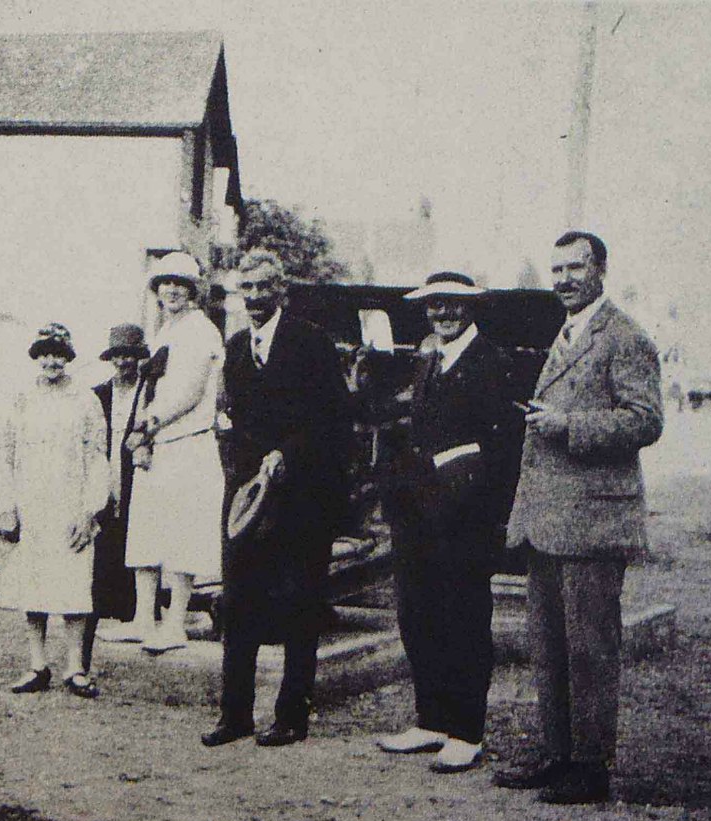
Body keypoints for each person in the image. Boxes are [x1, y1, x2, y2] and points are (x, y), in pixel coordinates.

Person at [494, 231, 663, 805]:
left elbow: (645, 420)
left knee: (590, 648)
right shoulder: (565, 333)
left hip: (593, 523)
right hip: (549, 521)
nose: (564, 279)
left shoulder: (624, 337)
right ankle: (558, 754)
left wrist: (572, 425)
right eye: (557, 269)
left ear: (601, 270)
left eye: (576, 268)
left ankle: (590, 767)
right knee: (549, 646)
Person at [203, 250, 351, 748]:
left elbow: (334, 420)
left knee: (299, 606)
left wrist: (288, 453)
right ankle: (235, 714)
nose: (256, 299)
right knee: (239, 602)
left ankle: (292, 715)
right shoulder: (238, 349)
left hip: (304, 499)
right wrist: (248, 467)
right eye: (248, 289)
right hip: (251, 497)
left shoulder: (311, 343)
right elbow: (234, 423)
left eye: (265, 288)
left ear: (281, 291)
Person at [375, 273, 516, 773]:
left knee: (464, 620)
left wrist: (476, 506)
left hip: (465, 516)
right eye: (436, 305)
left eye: (453, 305)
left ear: (471, 307)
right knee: (419, 614)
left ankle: (466, 731)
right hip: (419, 513)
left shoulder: (492, 363)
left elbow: (499, 450)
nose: (444, 314)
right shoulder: (429, 358)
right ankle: (431, 720)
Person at [0, 324, 110, 697]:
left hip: (71, 505)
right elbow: (6, 456)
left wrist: (90, 510)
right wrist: (9, 507)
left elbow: (97, 457)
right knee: (34, 586)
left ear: (69, 357)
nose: (51, 360)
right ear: (35, 356)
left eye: (58, 353)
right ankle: (37, 664)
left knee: (74, 586)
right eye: (44, 352)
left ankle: (75, 667)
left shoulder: (86, 400)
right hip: (32, 505)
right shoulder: (22, 399)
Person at [122, 252, 226, 656]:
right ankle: (143, 618)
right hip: (156, 445)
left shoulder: (200, 331)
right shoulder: (166, 328)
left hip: (186, 441)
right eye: (164, 283)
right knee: (147, 530)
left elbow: (189, 391)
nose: (171, 290)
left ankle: (175, 623)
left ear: (193, 289)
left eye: (180, 283)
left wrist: (150, 422)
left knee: (183, 536)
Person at [85, 324, 148, 651]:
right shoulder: (99, 393)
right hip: (105, 465)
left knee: (133, 529)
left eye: (130, 355)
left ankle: (133, 608)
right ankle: (103, 603)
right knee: (105, 527)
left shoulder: (148, 391)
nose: (124, 362)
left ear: (139, 358)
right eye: (118, 356)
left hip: (135, 469)